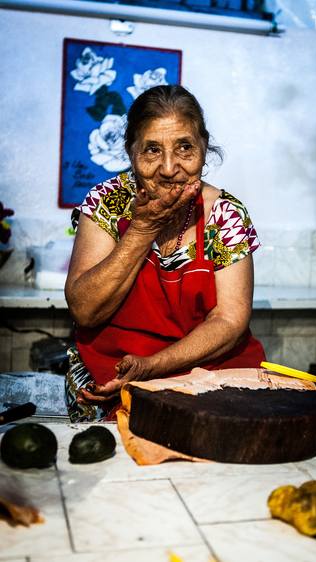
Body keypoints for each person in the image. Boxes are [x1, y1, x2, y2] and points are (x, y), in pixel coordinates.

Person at [64, 85, 265, 422]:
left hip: (205, 368)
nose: (169, 168)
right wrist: (143, 229)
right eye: (152, 150)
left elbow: (230, 319)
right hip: (113, 369)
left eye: (184, 148)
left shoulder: (225, 214)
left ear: (203, 147)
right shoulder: (106, 203)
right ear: (131, 153)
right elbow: (84, 311)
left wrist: (153, 367)